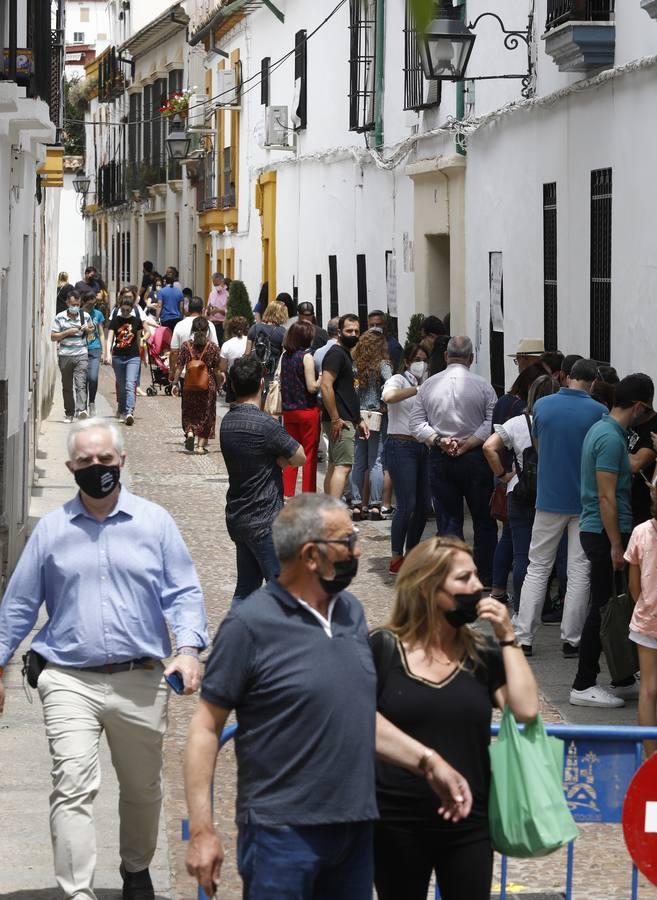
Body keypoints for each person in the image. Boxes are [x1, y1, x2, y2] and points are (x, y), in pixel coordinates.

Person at [184, 495, 474, 900]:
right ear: (311, 555)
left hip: (354, 831)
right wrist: (202, 830)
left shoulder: (350, 613)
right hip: (281, 835)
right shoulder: (249, 625)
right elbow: (204, 727)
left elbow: (357, 716)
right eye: (348, 541)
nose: (358, 549)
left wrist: (427, 762)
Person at [0, 418, 208, 900]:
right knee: (72, 783)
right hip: (68, 678)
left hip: (141, 678)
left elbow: (184, 592)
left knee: (142, 789)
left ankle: (136, 869)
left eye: (106, 461)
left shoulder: (154, 523)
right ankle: (78, 892)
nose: (97, 469)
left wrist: (189, 650)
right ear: (72, 466)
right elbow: (18, 605)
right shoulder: (52, 531)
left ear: (122, 462)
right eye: (87, 462)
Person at [371, 536, 539, 900]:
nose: (478, 587)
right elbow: (361, 723)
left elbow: (525, 710)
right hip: (397, 820)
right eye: (464, 579)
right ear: (428, 587)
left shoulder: (480, 653)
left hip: (469, 821)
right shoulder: (383, 648)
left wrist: (508, 638)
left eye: (477, 576)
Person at [571, 374, 653, 708]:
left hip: (603, 530)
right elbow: (606, 497)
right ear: (638, 406)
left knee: (612, 604)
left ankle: (620, 678)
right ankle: (583, 683)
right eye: (645, 410)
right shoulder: (609, 437)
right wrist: (616, 544)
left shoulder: (606, 431)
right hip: (603, 531)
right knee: (604, 608)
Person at [514, 359, 606, 657]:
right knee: (580, 568)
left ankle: (524, 636)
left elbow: (539, 447)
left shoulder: (544, 407)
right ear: (592, 382)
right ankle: (572, 639)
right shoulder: (598, 412)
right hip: (584, 500)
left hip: (549, 496)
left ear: (567, 377)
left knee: (538, 565)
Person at [409, 336, 498, 588]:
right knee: (483, 519)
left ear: (446, 356)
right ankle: (486, 577)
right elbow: (491, 422)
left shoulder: (428, 385)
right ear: (471, 358)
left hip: (441, 456)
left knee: (448, 520)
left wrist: (440, 441)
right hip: (475, 457)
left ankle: (453, 576)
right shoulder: (484, 386)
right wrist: (470, 442)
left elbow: (415, 424)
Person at [219, 356, 306, 603]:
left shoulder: (228, 422)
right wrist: (281, 460)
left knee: (245, 590)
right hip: (266, 518)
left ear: (233, 386)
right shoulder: (266, 424)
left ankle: (236, 637)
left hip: (239, 517)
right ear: (261, 384)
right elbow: (300, 456)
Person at [483, 375, 560, 613]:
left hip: (519, 491)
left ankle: (521, 609)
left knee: (521, 555)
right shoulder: (558, 422)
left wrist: (504, 475)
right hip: (551, 492)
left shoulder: (517, 423)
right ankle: (543, 605)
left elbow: (489, 447)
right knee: (547, 556)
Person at [381, 343, 431, 574]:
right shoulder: (399, 380)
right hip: (401, 445)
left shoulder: (428, 383)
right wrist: (417, 390)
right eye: (417, 359)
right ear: (408, 362)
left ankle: (411, 552)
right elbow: (388, 396)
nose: (421, 364)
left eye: (425, 359)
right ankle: (395, 555)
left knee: (422, 505)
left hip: (423, 446)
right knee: (407, 504)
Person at [320, 314, 370, 499]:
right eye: (349, 331)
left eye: (357, 331)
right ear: (339, 332)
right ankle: (333, 515)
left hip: (346, 418)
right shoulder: (336, 354)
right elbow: (326, 385)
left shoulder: (345, 354)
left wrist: (358, 419)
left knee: (334, 466)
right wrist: (335, 418)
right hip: (340, 420)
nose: (354, 334)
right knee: (343, 467)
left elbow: (348, 391)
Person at [625, 487, 657, 756]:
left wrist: (645, 606)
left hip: (647, 620)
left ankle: (650, 758)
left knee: (647, 689)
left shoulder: (641, 532)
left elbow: (634, 586)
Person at [350, 328, 393, 521]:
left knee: (358, 462)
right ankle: (375, 506)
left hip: (359, 415)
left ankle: (357, 505)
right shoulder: (383, 364)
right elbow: (390, 385)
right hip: (376, 415)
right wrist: (383, 401)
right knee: (376, 461)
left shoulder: (355, 365)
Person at [171, 317, 224, 454]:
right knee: (206, 414)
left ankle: (189, 432)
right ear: (207, 330)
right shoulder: (212, 347)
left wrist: (175, 383)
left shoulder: (185, 346)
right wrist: (219, 385)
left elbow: (179, 367)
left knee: (189, 411)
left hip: (189, 384)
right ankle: (200, 447)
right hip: (208, 385)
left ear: (192, 330)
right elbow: (217, 369)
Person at [281, 320, 321, 497]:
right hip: (306, 410)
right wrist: (323, 377)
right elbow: (312, 387)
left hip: (289, 411)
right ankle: (308, 493)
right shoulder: (306, 357)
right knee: (309, 455)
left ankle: (287, 491)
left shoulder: (285, 356)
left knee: (291, 453)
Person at [51, 289, 95, 422]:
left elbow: (92, 333)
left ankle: (81, 410)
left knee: (80, 383)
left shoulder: (85, 316)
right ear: (67, 303)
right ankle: (69, 413)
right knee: (67, 386)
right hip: (65, 355)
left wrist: (88, 330)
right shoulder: (60, 317)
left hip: (81, 354)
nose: (75, 307)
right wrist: (67, 332)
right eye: (72, 304)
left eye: (77, 304)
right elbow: (53, 336)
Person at [106, 288, 143, 426]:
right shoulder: (115, 321)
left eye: (128, 310)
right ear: (120, 307)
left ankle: (129, 412)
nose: (125, 312)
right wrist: (107, 354)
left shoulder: (136, 321)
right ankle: (121, 409)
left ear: (131, 308)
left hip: (133, 356)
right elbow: (110, 339)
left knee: (130, 384)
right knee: (121, 386)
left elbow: (138, 340)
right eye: (123, 310)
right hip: (118, 357)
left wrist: (140, 356)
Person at [245, 299, 288, 397]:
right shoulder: (283, 332)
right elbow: (284, 357)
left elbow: (247, 354)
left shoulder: (255, 328)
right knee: (270, 402)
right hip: (272, 373)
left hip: (255, 372)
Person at [170, 297, 218, 380]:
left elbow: (174, 352)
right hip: (206, 376)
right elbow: (216, 350)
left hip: (185, 375)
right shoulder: (209, 325)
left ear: (188, 310)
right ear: (202, 310)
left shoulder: (179, 325)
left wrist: (172, 371)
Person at [81, 290, 107, 418]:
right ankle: (83, 406)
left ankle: (91, 402)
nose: (91, 307)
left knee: (93, 377)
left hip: (95, 349)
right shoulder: (79, 314)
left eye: (93, 304)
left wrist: (104, 351)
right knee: (82, 380)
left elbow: (101, 333)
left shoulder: (98, 314)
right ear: (84, 302)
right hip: (80, 349)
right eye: (89, 305)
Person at [219, 316, 249, 402]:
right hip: (249, 378)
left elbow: (223, 368)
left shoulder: (227, 345)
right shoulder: (250, 341)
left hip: (233, 380)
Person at [206, 272, 228, 343]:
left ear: (222, 282)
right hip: (212, 324)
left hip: (222, 325)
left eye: (217, 284)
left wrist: (219, 310)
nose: (216, 286)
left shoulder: (228, 294)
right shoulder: (212, 293)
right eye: (214, 285)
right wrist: (209, 311)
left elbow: (230, 311)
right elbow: (208, 308)